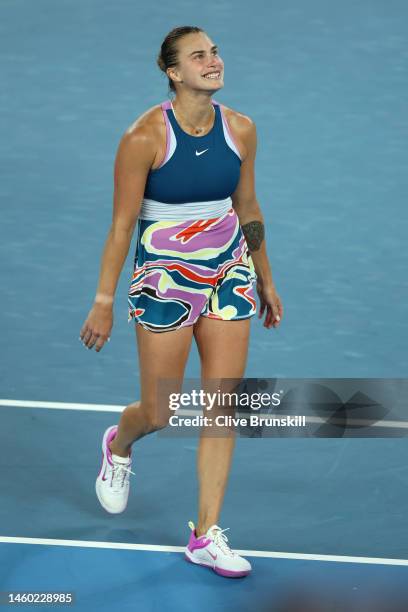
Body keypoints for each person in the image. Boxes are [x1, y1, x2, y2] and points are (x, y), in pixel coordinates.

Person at [80, 25, 283, 578]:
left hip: (228, 273)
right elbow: (122, 226)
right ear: (174, 72)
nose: (214, 61)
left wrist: (263, 276)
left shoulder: (241, 129)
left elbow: (247, 204)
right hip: (164, 280)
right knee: (161, 410)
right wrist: (103, 299)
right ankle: (120, 443)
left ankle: (205, 534)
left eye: (215, 51)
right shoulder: (143, 138)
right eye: (199, 56)